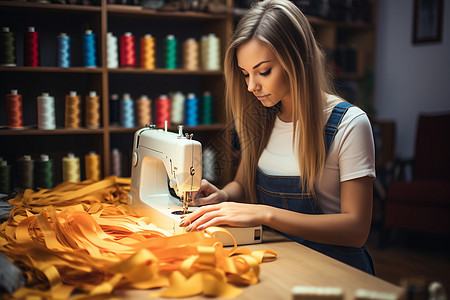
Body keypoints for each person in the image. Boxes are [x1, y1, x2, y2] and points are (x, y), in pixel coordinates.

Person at [179, 0, 376, 274]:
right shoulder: (261, 118)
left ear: (297, 60)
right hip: (281, 259)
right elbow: (243, 185)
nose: (251, 86)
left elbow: (356, 231)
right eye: (245, 74)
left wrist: (263, 213)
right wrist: (223, 195)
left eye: (264, 71)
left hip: (337, 270)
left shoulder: (349, 124)